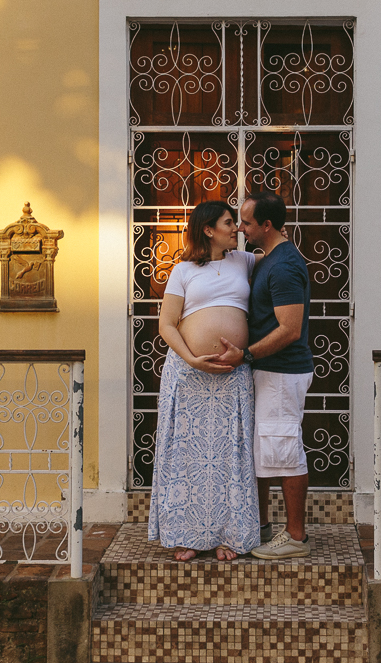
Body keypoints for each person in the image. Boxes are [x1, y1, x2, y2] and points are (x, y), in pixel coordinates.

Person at [149, 200, 262, 562]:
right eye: (230, 223)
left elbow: (279, 258)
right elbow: (167, 324)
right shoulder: (183, 271)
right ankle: (188, 535)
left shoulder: (244, 262)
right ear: (209, 230)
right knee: (187, 455)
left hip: (231, 374)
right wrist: (191, 358)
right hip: (188, 374)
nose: (237, 229)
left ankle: (229, 535)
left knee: (229, 454)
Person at [217, 191, 314, 560]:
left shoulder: (285, 265)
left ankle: (295, 537)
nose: (240, 229)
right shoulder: (269, 258)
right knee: (266, 451)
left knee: (285, 450)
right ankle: (261, 527)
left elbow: (289, 329)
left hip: (282, 372)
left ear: (267, 226)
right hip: (268, 372)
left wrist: (246, 354)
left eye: (246, 223)